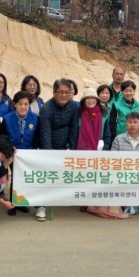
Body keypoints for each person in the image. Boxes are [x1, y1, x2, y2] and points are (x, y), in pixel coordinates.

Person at [97, 112, 139, 218]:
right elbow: (113, 159)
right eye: (129, 122)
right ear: (126, 124)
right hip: (122, 175)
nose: (132, 125)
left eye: (135, 122)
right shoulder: (118, 139)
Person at [38, 78, 80, 221]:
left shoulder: (74, 107)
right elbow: (45, 133)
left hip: (66, 146)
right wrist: (49, 155)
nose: (63, 95)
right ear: (54, 92)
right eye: (60, 92)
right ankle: (41, 206)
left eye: (67, 92)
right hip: (49, 146)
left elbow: (74, 128)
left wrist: (72, 149)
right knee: (47, 176)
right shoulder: (46, 108)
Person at [0, 90, 39, 216]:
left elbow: (37, 137)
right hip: (12, 153)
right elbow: (3, 137)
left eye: (26, 104)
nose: (23, 107)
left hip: (28, 154)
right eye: (20, 104)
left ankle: (21, 203)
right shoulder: (7, 118)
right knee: (14, 177)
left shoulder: (35, 118)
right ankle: (12, 204)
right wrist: (10, 149)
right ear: (15, 104)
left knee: (23, 177)